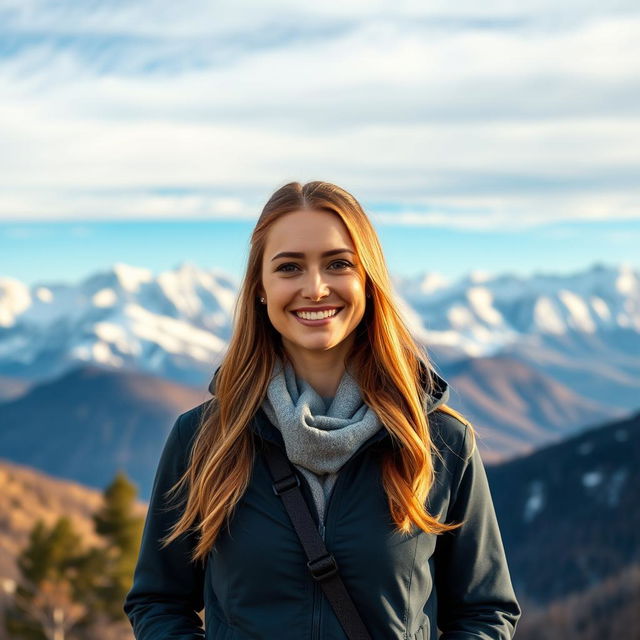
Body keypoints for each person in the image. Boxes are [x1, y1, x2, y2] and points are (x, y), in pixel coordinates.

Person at [123, 180, 522, 639]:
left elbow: (485, 612)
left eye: (338, 264)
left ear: (368, 281)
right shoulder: (205, 439)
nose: (315, 289)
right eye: (290, 267)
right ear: (260, 288)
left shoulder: (438, 442)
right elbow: (159, 601)